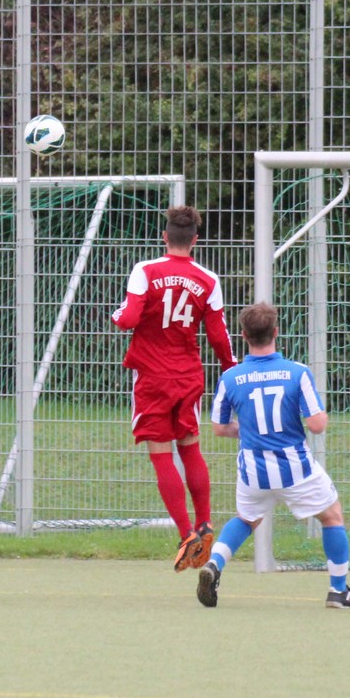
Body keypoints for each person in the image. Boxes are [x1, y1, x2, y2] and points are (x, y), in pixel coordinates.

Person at [195, 303, 350, 610]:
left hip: (253, 471)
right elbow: (316, 424)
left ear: (244, 335)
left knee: (247, 519)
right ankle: (338, 590)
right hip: (294, 468)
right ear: (275, 332)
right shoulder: (297, 373)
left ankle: (215, 564)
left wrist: (247, 430)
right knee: (332, 515)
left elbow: (219, 428)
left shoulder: (231, 377)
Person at [111, 204, 237, 571]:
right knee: (190, 447)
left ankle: (186, 535)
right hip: (187, 377)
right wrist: (230, 370)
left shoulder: (144, 271)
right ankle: (205, 522)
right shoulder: (209, 279)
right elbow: (218, 336)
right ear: (194, 241)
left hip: (152, 376)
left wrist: (116, 314)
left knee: (161, 453)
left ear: (164, 237)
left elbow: (128, 319)